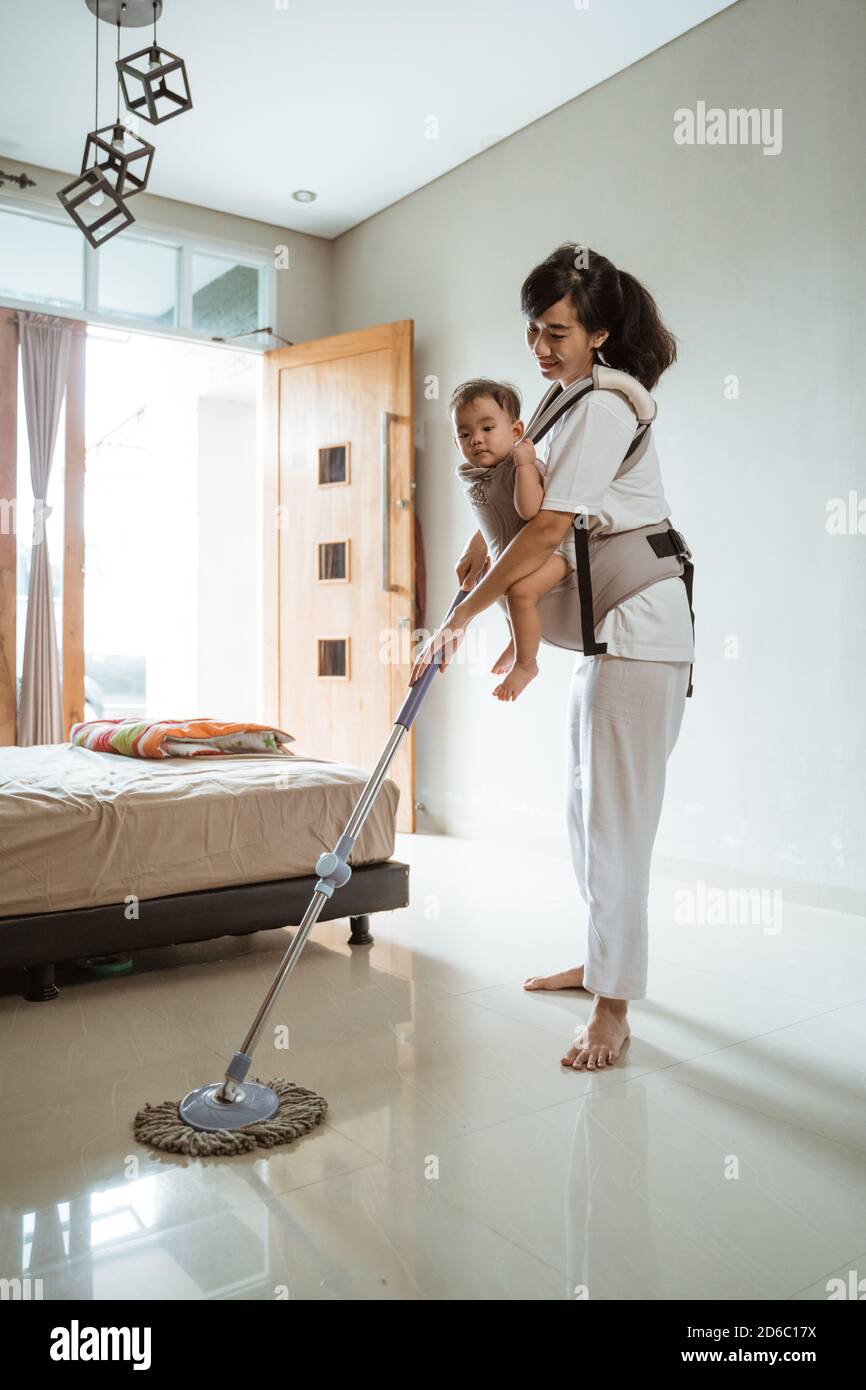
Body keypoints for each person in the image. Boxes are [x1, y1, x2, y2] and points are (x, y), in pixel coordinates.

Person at [411, 243, 695, 1072]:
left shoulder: (607, 404)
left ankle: (614, 1005)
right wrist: (474, 545)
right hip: (611, 634)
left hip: (644, 632)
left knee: (617, 823)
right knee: (584, 810)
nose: (541, 347)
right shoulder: (563, 398)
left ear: (600, 331)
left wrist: (464, 613)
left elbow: (546, 527)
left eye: (559, 331)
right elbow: (517, 487)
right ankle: (599, 962)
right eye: (534, 330)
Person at [450, 379, 573, 701]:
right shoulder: (479, 474)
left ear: (516, 432)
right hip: (511, 551)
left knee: (518, 592)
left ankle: (526, 662)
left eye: (488, 428)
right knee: (500, 589)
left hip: (558, 552)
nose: (476, 439)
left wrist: (524, 465)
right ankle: (515, 640)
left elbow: (530, 510)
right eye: (465, 434)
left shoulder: (522, 466)